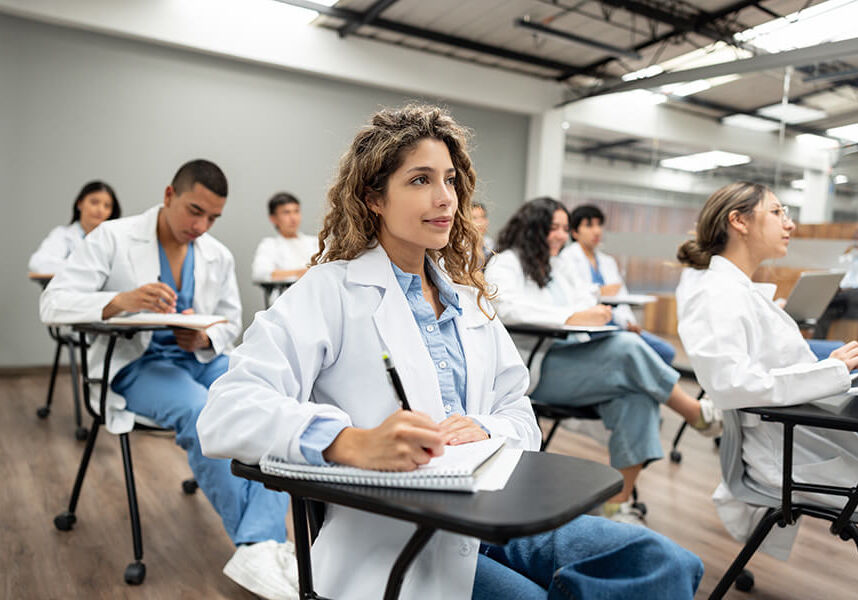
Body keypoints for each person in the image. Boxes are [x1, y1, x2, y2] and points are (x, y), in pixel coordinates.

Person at [197, 105, 704, 600]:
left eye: (450, 180)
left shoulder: (467, 299)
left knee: (665, 563)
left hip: (494, 511)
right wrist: (347, 442)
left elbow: (520, 414)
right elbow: (227, 411)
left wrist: (487, 428)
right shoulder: (330, 291)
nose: (445, 199)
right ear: (374, 197)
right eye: (420, 180)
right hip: (402, 538)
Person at [40, 160, 294, 600]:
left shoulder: (216, 253)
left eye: (213, 218)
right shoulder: (112, 237)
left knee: (266, 402)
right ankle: (258, 546)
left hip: (195, 358)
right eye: (195, 211)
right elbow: (53, 303)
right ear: (170, 195)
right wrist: (119, 301)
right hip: (135, 366)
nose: (201, 226)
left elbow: (230, 321)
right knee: (202, 412)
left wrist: (203, 336)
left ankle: (265, 543)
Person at [485, 197, 722, 524]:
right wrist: (573, 314)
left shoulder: (555, 265)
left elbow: (585, 296)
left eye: (564, 229)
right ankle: (694, 412)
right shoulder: (506, 263)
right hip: (540, 369)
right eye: (553, 227)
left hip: (574, 360)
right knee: (626, 348)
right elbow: (507, 309)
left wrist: (595, 311)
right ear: (530, 227)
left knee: (636, 397)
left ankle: (617, 505)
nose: (560, 235)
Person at [676, 181, 858, 559]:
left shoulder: (738, 291)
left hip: (803, 433)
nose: (788, 224)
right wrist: (832, 371)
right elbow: (729, 384)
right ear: (738, 221)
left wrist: (834, 370)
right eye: (777, 213)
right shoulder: (716, 295)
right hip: (785, 451)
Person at [562, 204, 676, 365]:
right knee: (632, 353)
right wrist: (600, 291)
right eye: (589, 225)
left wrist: (630, 322)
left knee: (665, 352)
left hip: (618, 323)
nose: (597, 231)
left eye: (599, 225)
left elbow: (621, 295)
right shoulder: (566, 259)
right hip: (592, 325)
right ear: (574, 232)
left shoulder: (607, 262)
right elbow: (576, 296)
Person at [28, 180, 122, 274]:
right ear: (80, 204)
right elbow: (39, 264)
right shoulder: (62, 235)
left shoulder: (114, 240)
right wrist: (86, 268)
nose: (100, 210)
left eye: (107, 206)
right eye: (94, 202)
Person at [251, 192, 317, 282]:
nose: (293, 218)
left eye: (296, 211)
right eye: (286, 213)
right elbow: (260, 274)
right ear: (273, 218)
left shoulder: (315, 242)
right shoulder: (269, 245)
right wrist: (299, 273)